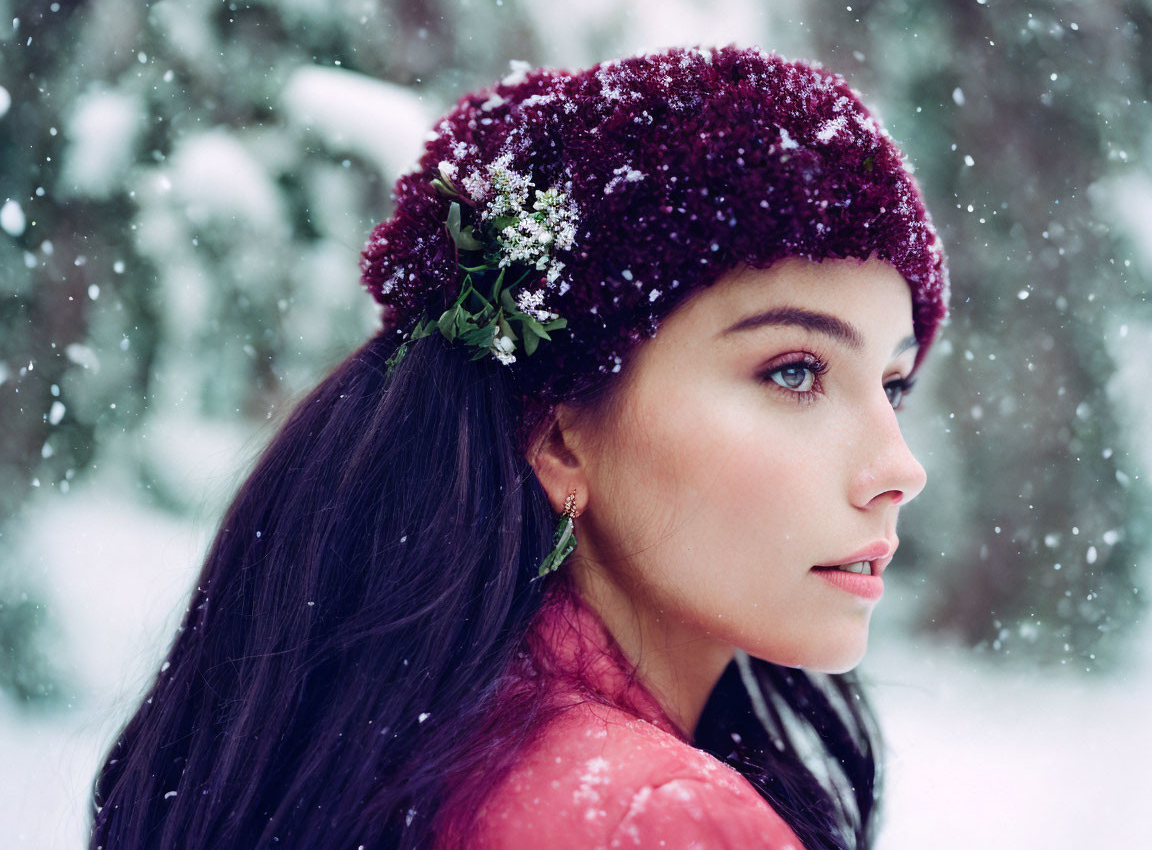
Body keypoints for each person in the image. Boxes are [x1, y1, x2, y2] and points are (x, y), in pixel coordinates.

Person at [89, 44, 948, 850]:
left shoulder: (424, 761)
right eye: (796, 372)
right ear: (558, 435)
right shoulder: (652, 819)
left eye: (894, 385)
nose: (899, 469)